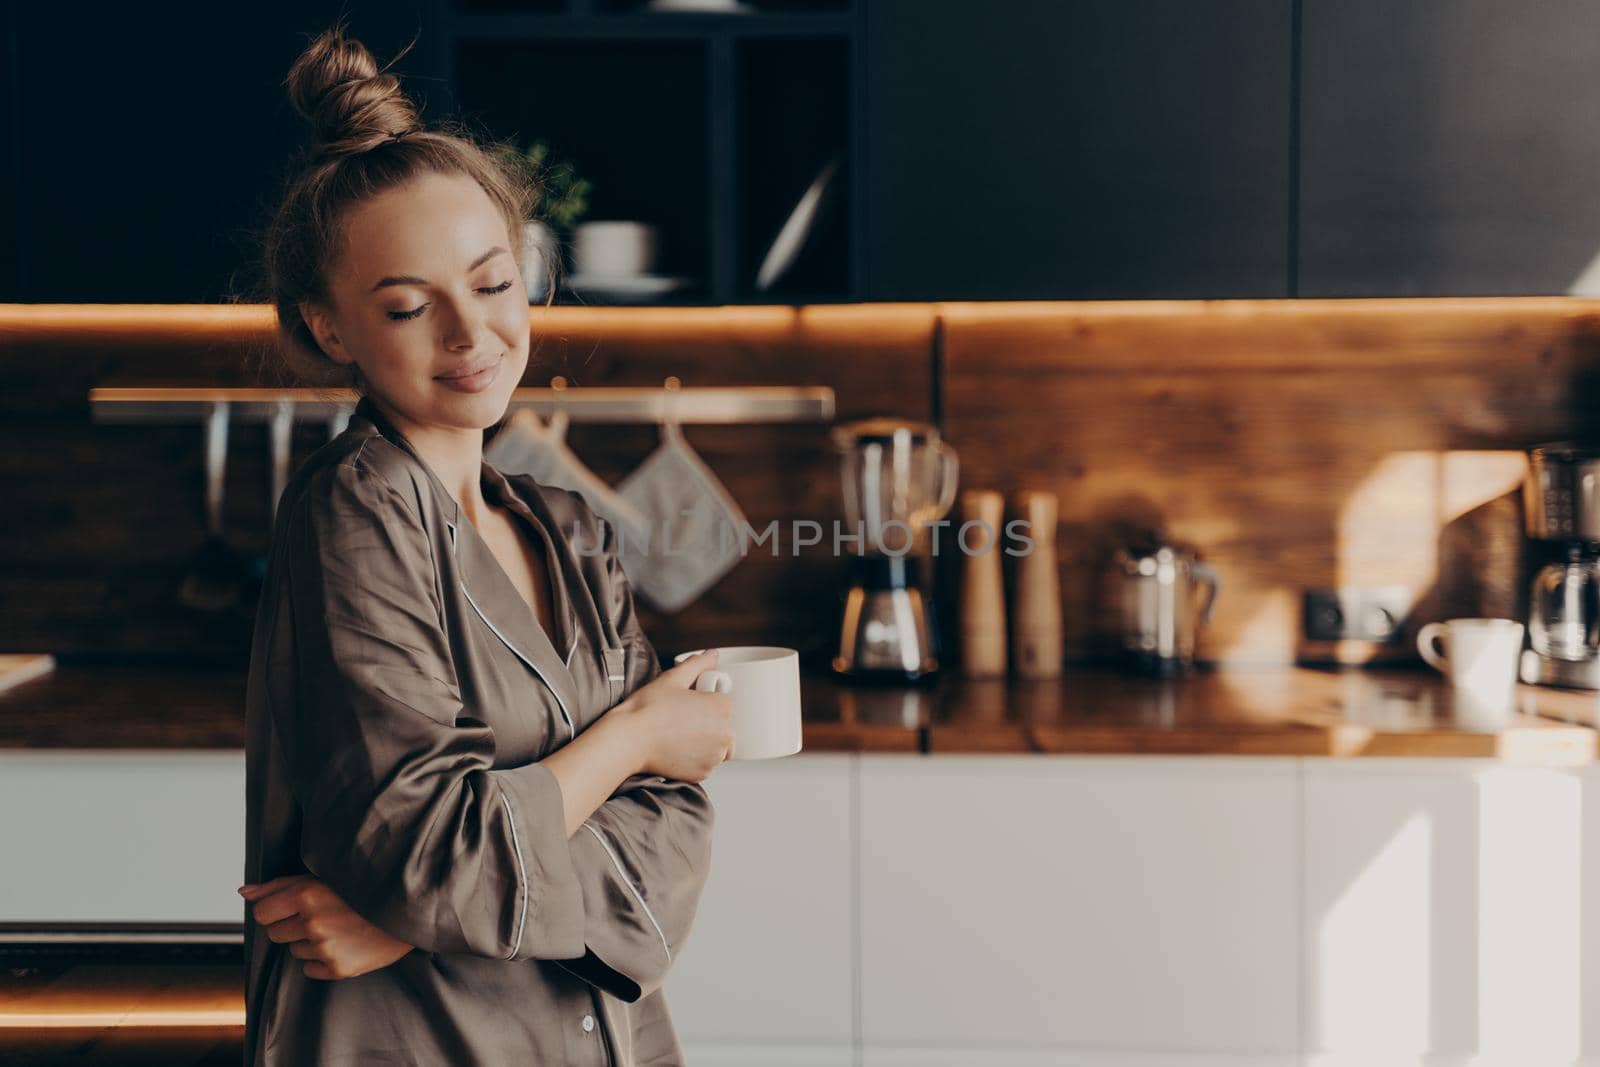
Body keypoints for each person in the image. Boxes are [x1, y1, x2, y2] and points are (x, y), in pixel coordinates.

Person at [238, 24, 736, 1066]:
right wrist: (636, 735)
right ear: (330, 328)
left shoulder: (569, 531)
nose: (471, 333)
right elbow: (430, 852)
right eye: (410, 306)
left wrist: (405, 918)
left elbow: (671, 850)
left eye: (494, 282)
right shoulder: (353, 513)